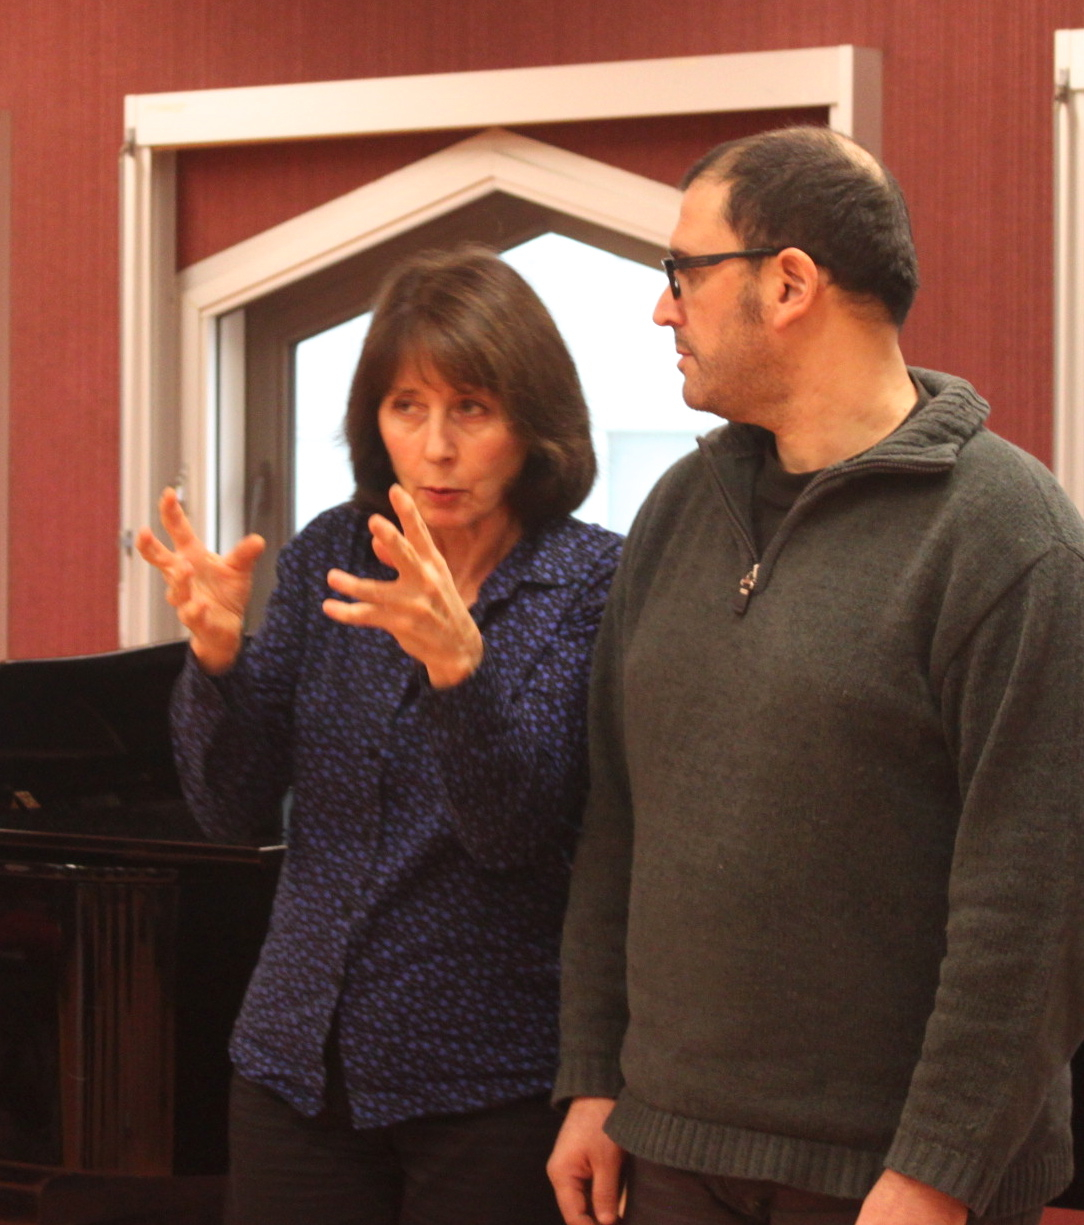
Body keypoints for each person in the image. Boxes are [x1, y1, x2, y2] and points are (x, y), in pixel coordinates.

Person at [546, 125, 1084, 1225]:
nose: (662, 310)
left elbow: (1034, 906)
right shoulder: (675, 512)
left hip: (895, 1180)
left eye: (683, 273)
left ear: (789, 282)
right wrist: (595, 1073)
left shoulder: (1010, 537)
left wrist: (938, 1170)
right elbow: (619, 821)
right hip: (669, 1146)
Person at [137, 245, 622, 1225]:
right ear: (376, 421)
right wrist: (216, 663)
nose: (436, 446)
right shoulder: (333, 550)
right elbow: (229, 808)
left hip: (492, 1079)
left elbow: (514, 832)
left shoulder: (592, 582)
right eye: (408, 407)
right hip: (295, 1061)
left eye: (471, 409)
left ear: (532, 424)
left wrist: (457, 674)